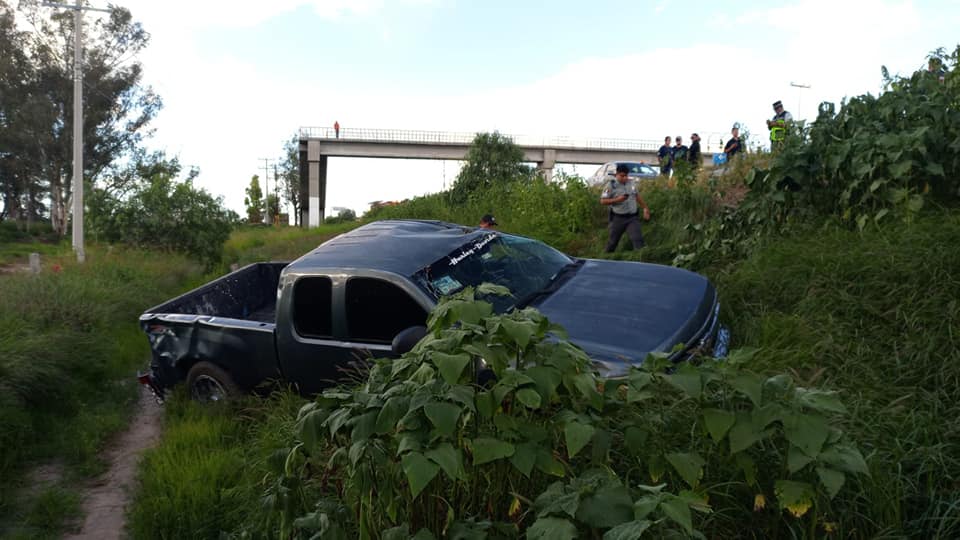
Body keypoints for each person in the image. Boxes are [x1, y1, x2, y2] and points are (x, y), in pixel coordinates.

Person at [600, 163, 650, 252]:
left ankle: (640, 259)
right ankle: (607, 258)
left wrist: (645, 208)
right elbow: (603, 201)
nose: (625, 178)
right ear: (616, 174)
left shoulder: (631, 183)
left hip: (632, 217)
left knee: (637, 239)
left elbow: (637, 196)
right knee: (612, 242)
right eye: (622, 176)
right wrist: (617, 200)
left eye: (626, 175)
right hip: (618, 218)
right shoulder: (611, 186)